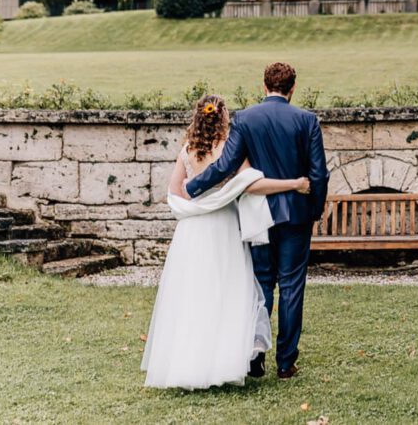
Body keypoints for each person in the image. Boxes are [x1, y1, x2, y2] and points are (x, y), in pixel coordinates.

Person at [141, 94, 310, 390]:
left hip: (192, 232)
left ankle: (189, 364)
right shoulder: (228, 150)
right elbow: (254, 185)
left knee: (193, 295)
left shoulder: (187, 150)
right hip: (222, 228)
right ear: (222, 118)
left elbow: (176, 192)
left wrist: (198, 206)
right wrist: (295, 183)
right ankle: (223, 363)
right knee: (226, 292)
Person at [185, 63, 329, 380]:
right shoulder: (307, 120)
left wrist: (193, 187)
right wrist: (315, 209)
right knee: (292, 287)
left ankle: (255, 357)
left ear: (263, 87)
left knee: (261, 285)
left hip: (257, 216)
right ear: (292, 88)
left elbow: (226, 164)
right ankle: (285, 362)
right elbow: (319, 172)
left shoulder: (246, 119)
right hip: (296, 215)